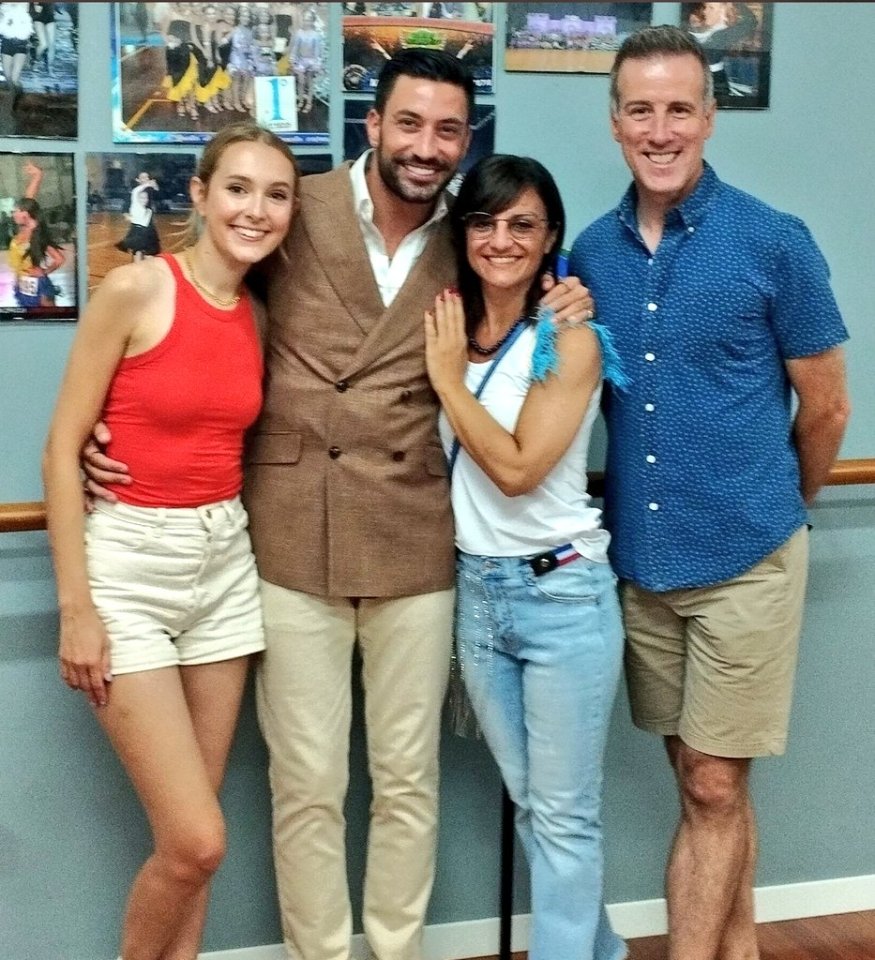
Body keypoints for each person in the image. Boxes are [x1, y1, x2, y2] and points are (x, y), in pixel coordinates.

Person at [84, 49, 594, 960]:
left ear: (465, 139)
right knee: (307, 780)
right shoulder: (293, 205)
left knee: (406, 780)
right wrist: (110, 425)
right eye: (409, 124)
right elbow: (201, 300)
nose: (426, 147)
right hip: (288, 533)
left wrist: (567, 297)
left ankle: (393, 951)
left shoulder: (470, 233)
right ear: (373, 124)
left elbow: (526, 294)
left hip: (413, 535)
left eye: (447, 130)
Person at [569, 25, 850, 960]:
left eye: (678, 108)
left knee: (712, 788)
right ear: (614, 122)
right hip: (642, 566)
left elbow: (826, 409)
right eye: (640, 109)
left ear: (708, 118)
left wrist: (776, 506)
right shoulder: (588, 255)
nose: (660, 129)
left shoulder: (774, 242)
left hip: (748, 556)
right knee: (703, 780)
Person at [43, 121, 299, 960]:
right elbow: (61, 446)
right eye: (238, 188)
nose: (255, 210)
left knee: (199, 843)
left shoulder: (257, 316)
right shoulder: (138, 290)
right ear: (198, 192)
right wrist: (76, 609)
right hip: (129, 569)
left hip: (224, 566)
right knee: (196, 839)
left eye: (275, 193)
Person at [424, 153, 627, 960]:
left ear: (550, 242)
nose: (501, 240)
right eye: (484, 221)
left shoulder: (570, 338)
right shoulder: (445, 323)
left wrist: (447, 381)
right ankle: (600, 950)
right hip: (478, 594)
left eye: (522, 225)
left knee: (566, 815)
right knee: (536, 808)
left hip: (563, 596)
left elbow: (513, 470)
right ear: (463, 231)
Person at [8, 160, 65, 309]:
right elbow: (29, 199)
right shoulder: (22, 226)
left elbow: (59, 259)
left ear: (26, 214)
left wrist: (44, 271)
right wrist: (37, 176)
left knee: (48, 320)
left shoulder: (37, 234)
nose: (13, 214)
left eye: (16, 211)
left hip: (37, 287)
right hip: (22, 284)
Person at [115, 171, 161, 262]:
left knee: (150, 251)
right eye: (143, 177)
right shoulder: (134, 192)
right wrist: (126, 215)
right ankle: (137, 269)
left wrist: (155, 187)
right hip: (137, 225)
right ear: (138, 180)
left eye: (147, 177)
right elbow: (125, 207)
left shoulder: (149, 189)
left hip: (148, 224)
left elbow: (158, 195)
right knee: (137, 250)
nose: (146, 179)